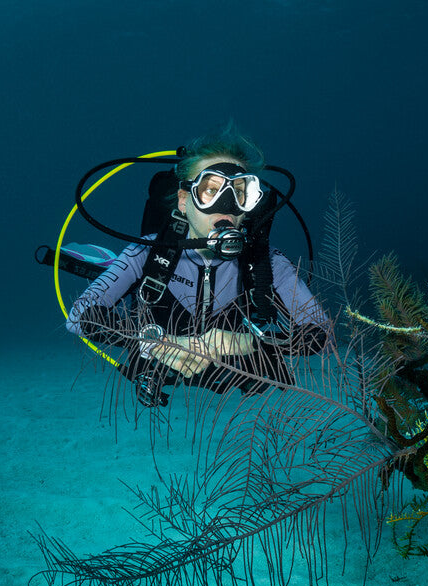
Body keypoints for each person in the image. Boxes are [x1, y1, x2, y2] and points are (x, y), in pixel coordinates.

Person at [66, 130, 331, 402]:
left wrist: (250, 342)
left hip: (230, 376)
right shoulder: (145, 251)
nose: (227, 206)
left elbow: (323, 333)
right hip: (159, 366)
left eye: (239, 193)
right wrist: (154, 342)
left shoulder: (267, 262)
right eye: (211, 190)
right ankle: (105, 261)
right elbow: (78, 315)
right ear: (184, 200)